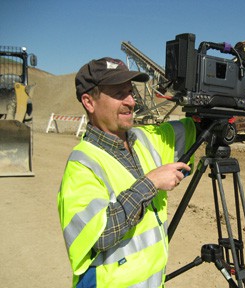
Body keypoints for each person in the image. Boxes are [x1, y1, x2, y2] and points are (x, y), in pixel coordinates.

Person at [57, 57, 196, 287]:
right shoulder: (81, 165)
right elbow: (100, 233)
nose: (131, 101)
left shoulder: (145, 139)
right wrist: (150, 183)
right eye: (119, 93)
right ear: (89, 102)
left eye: (130, 92)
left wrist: (240, 90)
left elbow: (197, 126)